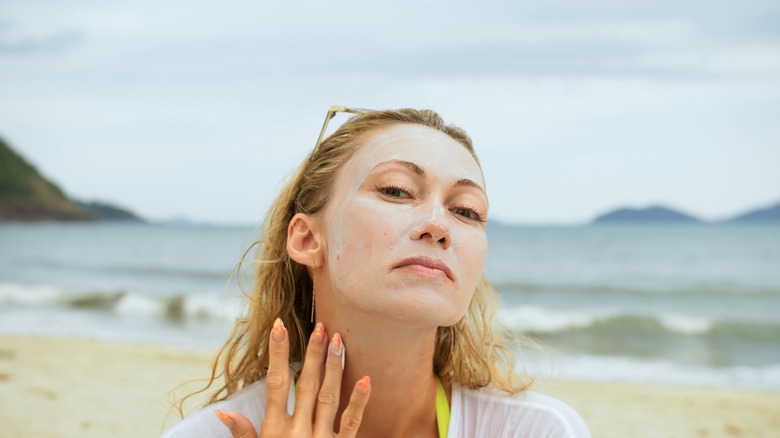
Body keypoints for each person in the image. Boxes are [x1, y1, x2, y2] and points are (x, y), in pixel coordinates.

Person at [162, 106, 590, 437]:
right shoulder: (215, 432)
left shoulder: (539, 430)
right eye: (396, 190)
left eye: (466, 211)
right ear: (308, 239)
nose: (439, 226)